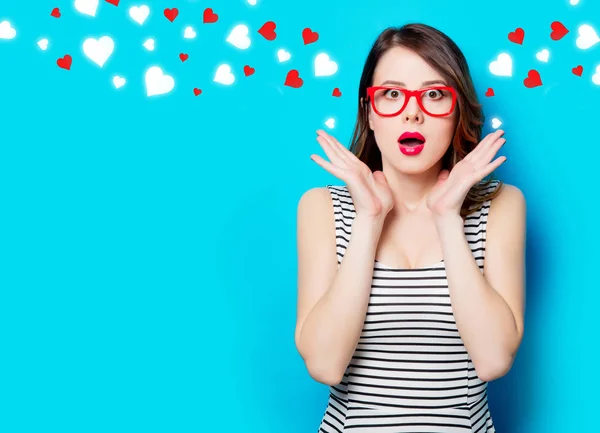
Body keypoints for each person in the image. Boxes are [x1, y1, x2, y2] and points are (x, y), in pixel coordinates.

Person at [295, 23, 526, 432]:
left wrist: (447, 219)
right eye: (392, 94)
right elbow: (325, 364)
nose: (413, 111)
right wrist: (369, 218)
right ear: (369, 110)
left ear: (457, 111)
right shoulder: (322, 208)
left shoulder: (501, 205)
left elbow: (493, 360)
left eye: (435, 94)